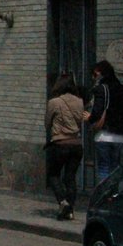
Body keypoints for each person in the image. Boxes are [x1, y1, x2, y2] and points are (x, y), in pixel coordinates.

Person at [45, 74, 86, 220]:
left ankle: (63, 202)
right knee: (70, 178)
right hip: (76, 144)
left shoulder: (54, 102)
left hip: (60, 144)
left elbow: (47, 123)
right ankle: (70, 210)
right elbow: (81, 120)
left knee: (53, 175)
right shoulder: (80, 102)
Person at [88, 60, 123, 181]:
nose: (93, 78)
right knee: (117, 169)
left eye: (94, 75)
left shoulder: (101, 89)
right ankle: (115, 194)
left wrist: (89, 118)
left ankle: (105, 195)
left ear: (99, 73)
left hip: (104, 135)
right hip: (122, 136)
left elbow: (96, 112)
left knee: (104, 168)